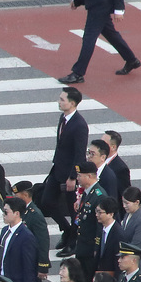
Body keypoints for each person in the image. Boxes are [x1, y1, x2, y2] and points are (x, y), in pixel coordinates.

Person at [46, 88, 88, 248]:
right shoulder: (63, 118)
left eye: (62, 99)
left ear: (72, 103)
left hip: (69, 174)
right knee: (47, 201)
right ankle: (67, 229)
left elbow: (79, 154)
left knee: (73, 211)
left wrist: (72, 177)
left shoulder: (79, 125)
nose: (59, 101)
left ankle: (73, 241)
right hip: (57, 169)